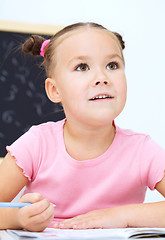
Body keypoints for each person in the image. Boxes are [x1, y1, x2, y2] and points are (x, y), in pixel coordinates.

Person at [0, 22, 165, 232]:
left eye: (112, 65)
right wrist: (18, 218)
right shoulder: (36, 144)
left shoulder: (142, 150)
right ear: (54, 90)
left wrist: (120, 215)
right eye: (82, 67)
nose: (101, 78)